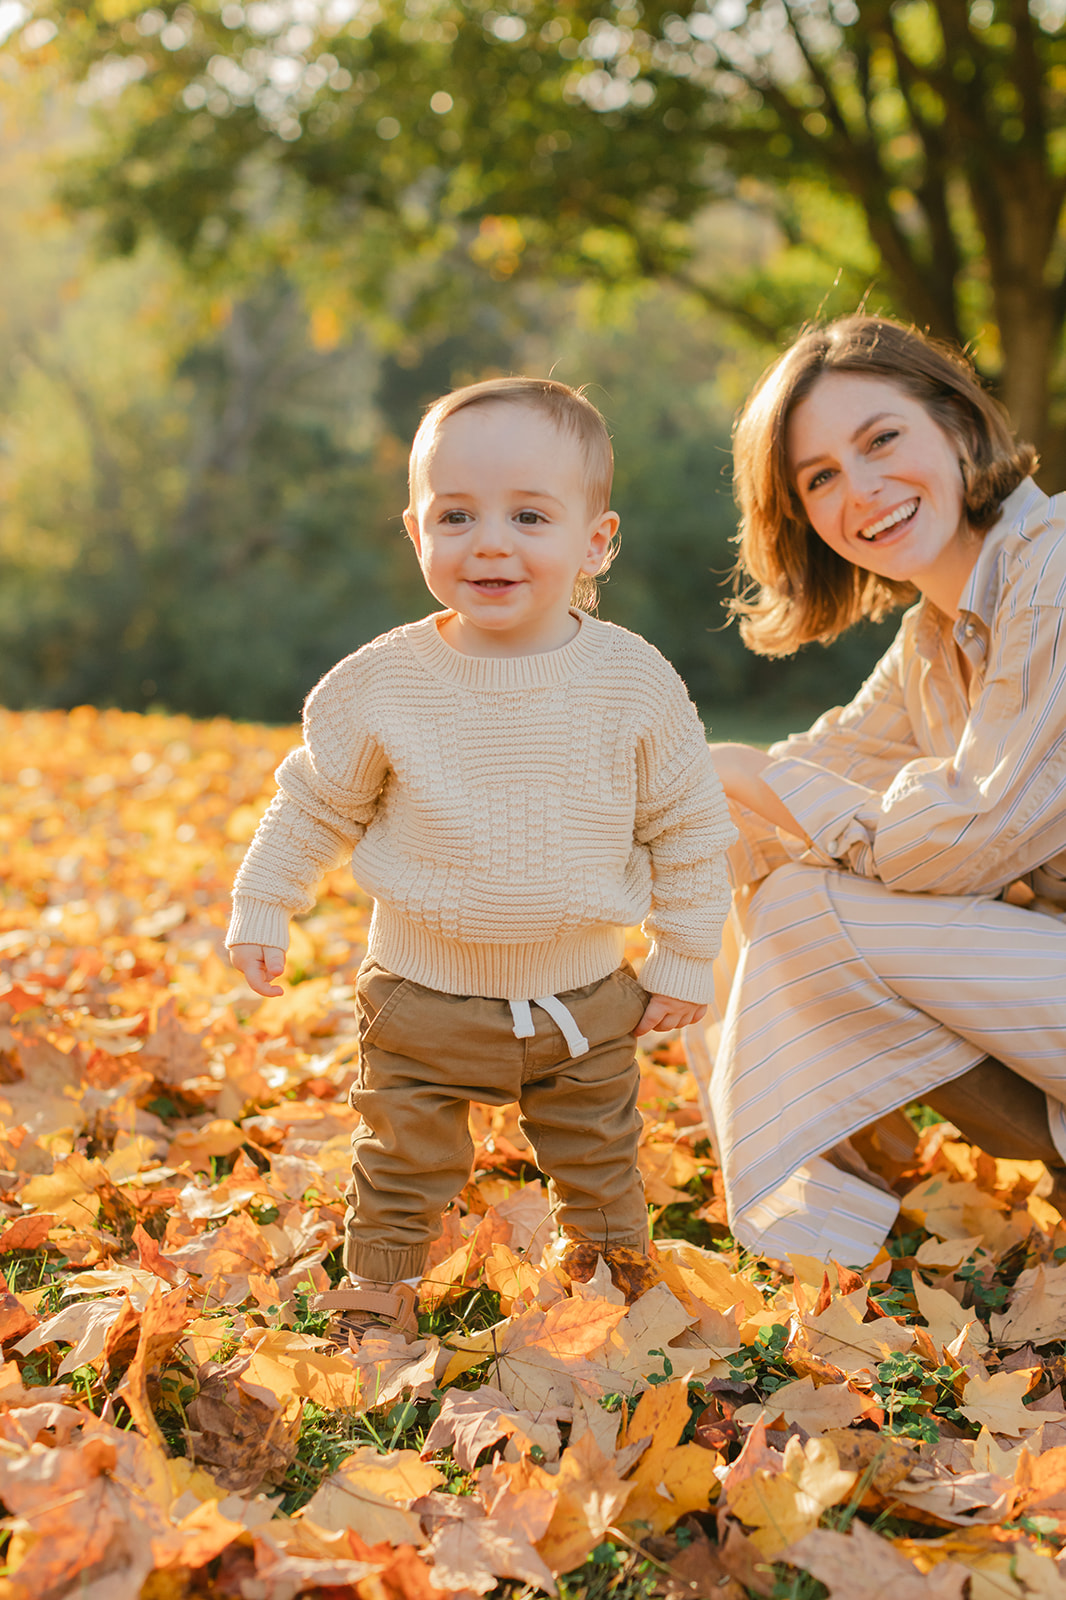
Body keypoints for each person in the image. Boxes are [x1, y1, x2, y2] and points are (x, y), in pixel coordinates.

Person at [227, 376, 736, 1343]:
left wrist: (682, 954)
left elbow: (688, 826)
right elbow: (315, 801)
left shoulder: (632, 681)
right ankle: (379, 1282)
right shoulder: (383, 683)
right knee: (402, 1149)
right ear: (416, 532)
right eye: (456, 514)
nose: (490, 540)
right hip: (422, 989)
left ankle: (607, 1268)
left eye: (529, 515)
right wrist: (265, 902)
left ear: (596, 540)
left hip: (582, 994)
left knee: (598, 1150)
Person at [708, 313, 1066, 1267]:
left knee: (809, 909)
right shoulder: (933, 641)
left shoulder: (1057, 566)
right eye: (819, 477)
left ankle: (809, 1229)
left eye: (881, 440)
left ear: (955, 422)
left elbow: (965, 834)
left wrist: (750, 775)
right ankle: (813, 1187)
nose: (860, 490)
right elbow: (817, 767)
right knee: (762, 868)